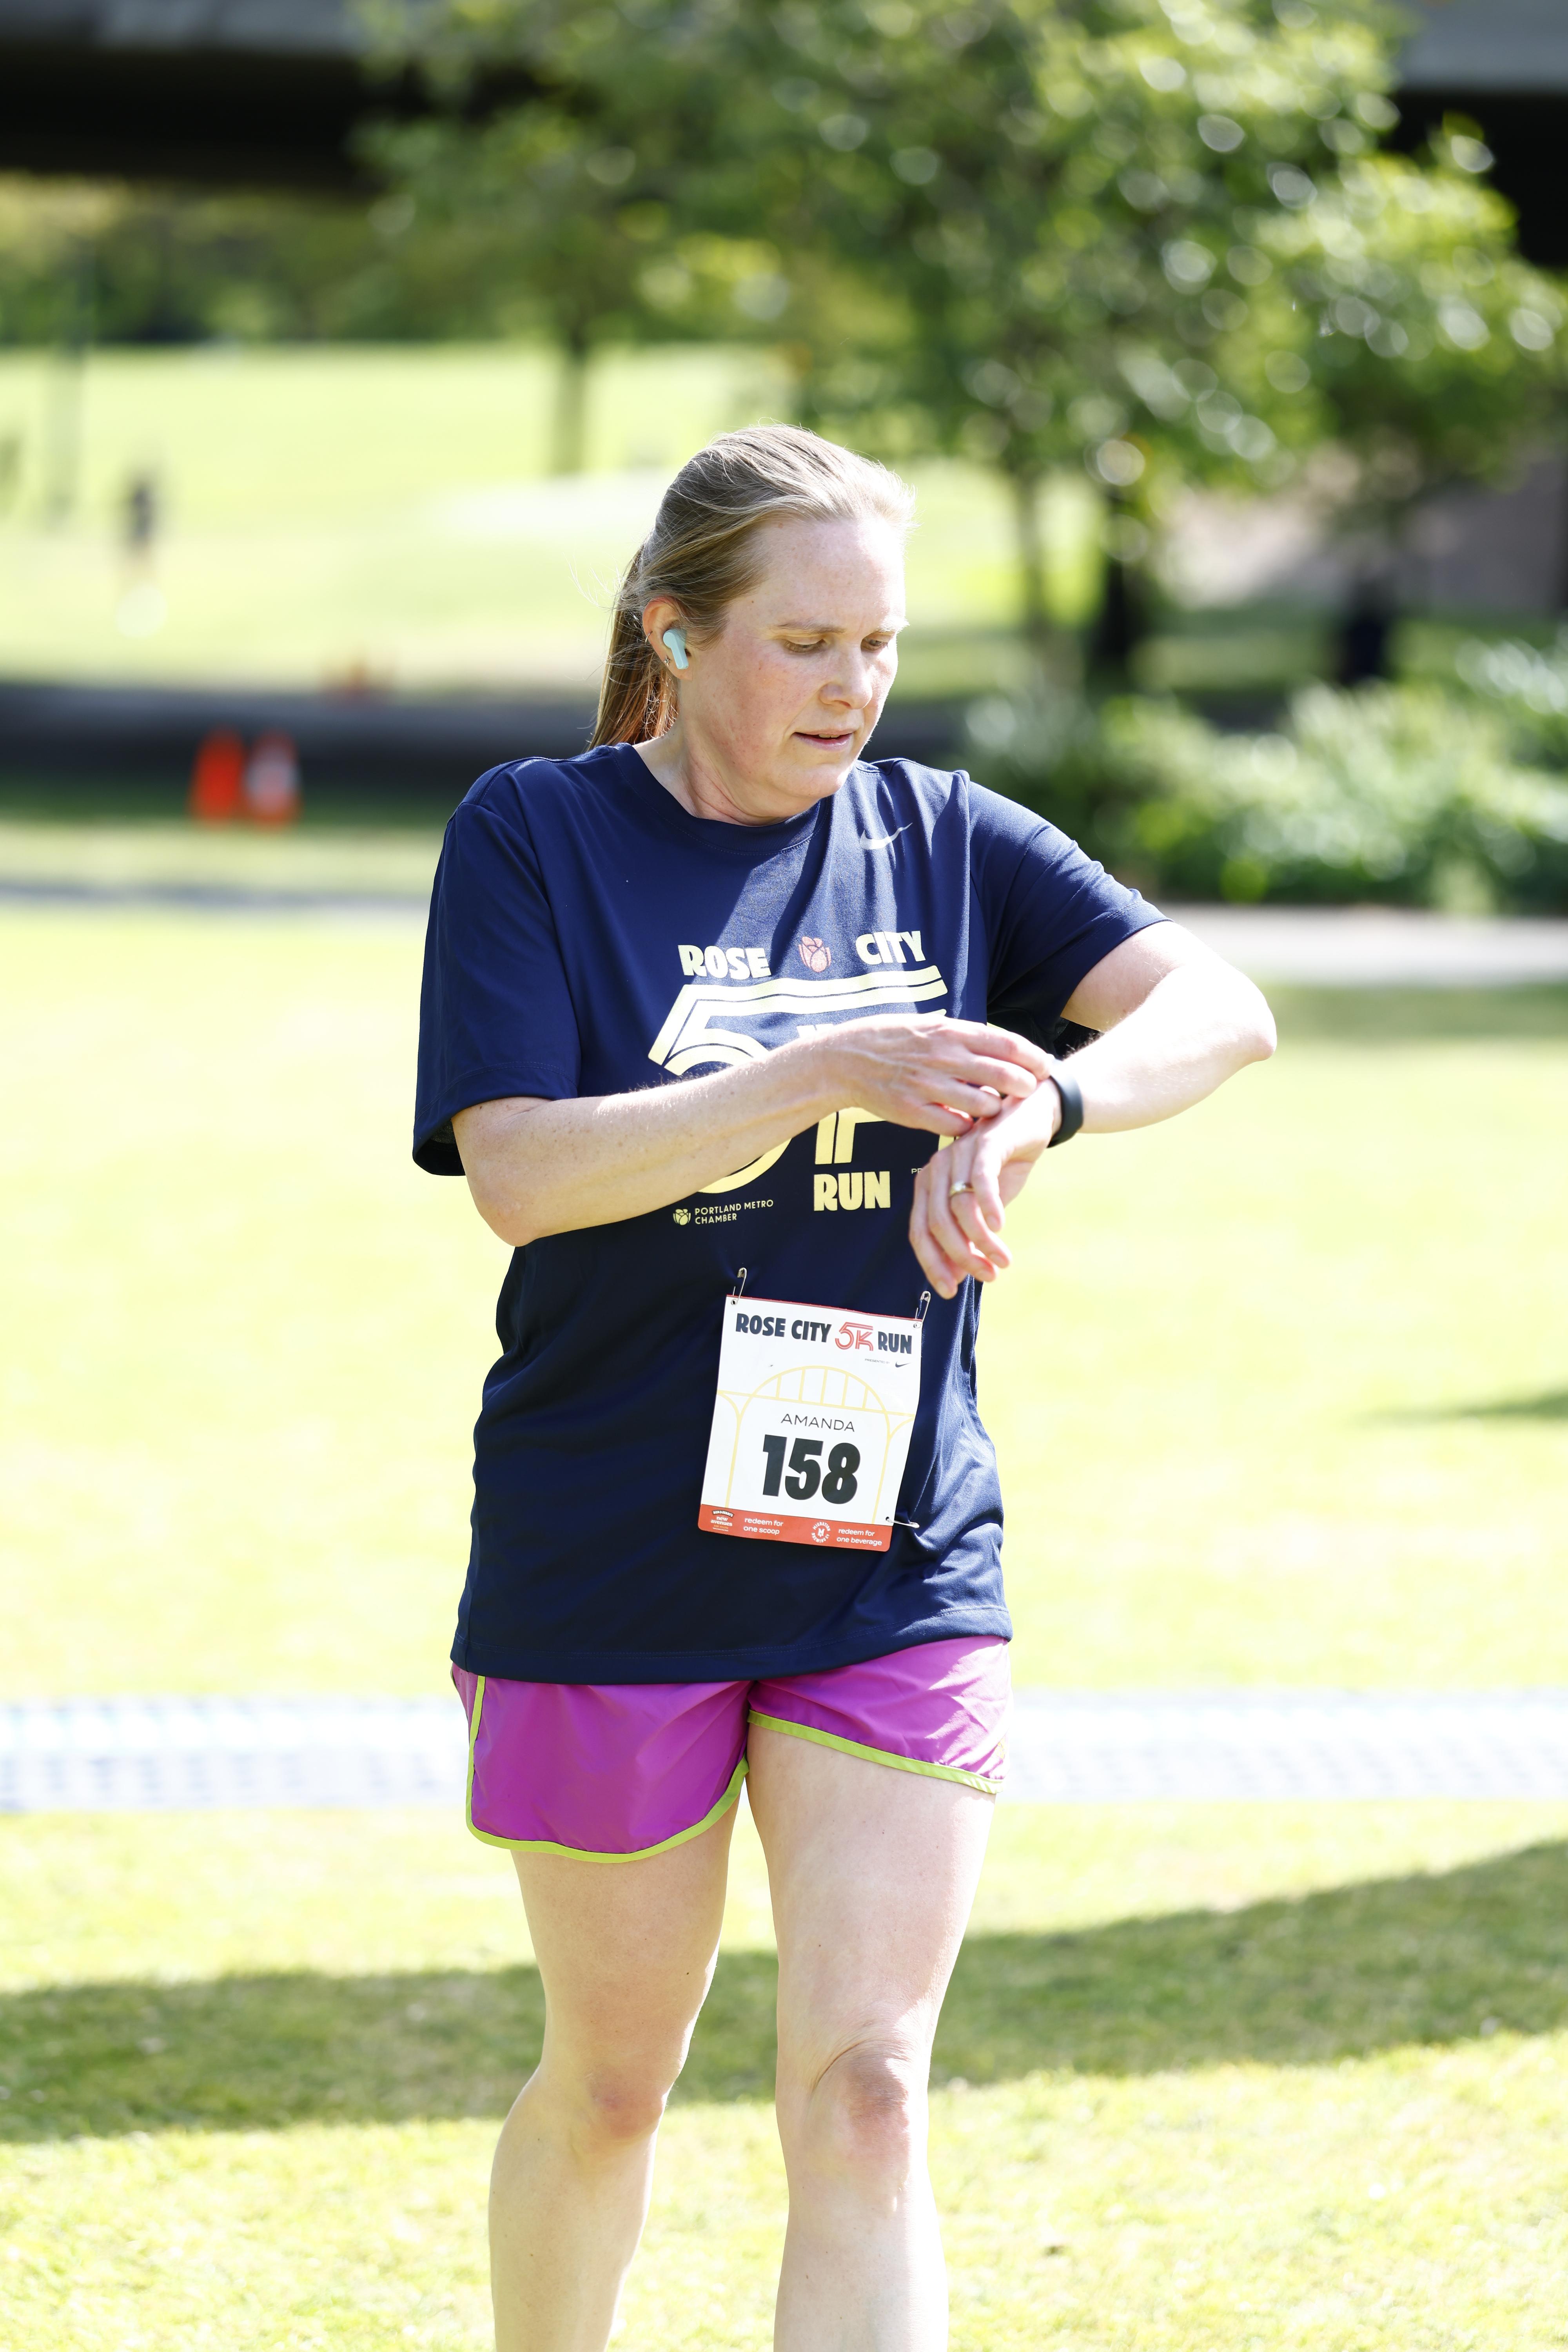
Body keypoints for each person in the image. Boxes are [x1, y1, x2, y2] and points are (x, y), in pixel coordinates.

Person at [413, 424, 1274, 2351]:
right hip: (608, 1548)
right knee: (612, 2085)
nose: (851, 685)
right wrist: (820, 1071)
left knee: (872, 2090)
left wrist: (1048, 1104)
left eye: (878, 643)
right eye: (804, 643)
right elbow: (520, 1173)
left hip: (892, 1551)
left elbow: (1223, 1009)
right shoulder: (533, 835)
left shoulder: (946, 835)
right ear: (677, 630)